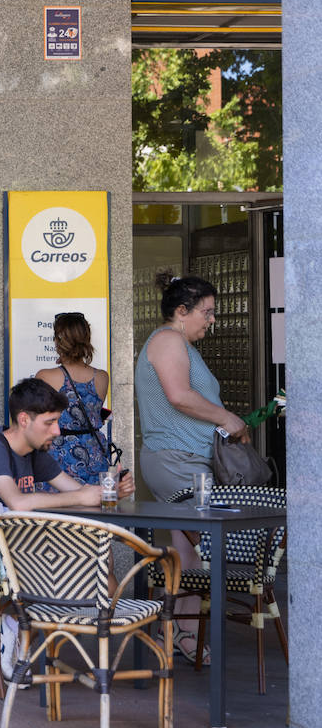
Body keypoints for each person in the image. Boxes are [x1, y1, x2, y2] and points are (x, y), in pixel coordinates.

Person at [0, 377, 134, 677]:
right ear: (24, 420)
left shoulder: (33, 452)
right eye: (50, 422)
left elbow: (75, 493)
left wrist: (109, 494)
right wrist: (81, 496)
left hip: (13, 552)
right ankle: (88, 645)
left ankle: (25, 631)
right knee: (88, 568)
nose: (58, 431)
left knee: (104, 557)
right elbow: (18, 502)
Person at [136, 270, 243, 663]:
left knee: (187, 550)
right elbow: (179, 396)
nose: (212, 320)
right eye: (207, 312)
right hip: (177, 460)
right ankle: (181, 633)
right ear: (182, 311)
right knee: (198, 548)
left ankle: (181, 633)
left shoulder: (177, 342)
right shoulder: (167, 340)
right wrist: (227, 418)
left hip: (184, 460)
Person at [35, 312, 112, 485]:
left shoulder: (45, 376)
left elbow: (37, 419)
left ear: (58, 341)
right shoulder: (101, 377)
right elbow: (96, 414)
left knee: (56, 510)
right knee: (92, 507)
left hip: (58, 456)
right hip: (94, 454)